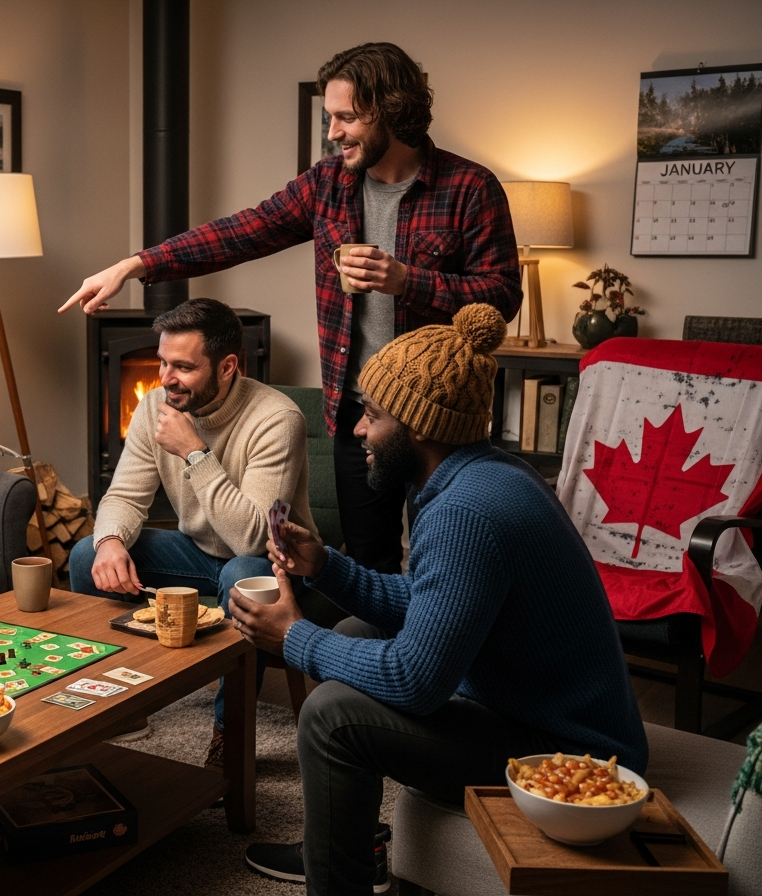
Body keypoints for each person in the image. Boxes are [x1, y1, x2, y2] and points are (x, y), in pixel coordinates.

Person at [228, 304, 648, 894]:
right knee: (352, 633)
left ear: (418, 426)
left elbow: (414, 680)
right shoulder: (480, 474)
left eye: (372, 415)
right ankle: (347, 839)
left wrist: (294, 638)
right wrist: (325, 567)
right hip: (529, 709)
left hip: (569, 756)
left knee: (330, 718)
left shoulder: (464, 511)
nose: (357, 431)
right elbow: (440, 607)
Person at [61, 42, 522, 576]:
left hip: (440, 419)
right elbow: (239, 233)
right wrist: (136, 265)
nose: (333, 132)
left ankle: (435, 657)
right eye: (330, 117)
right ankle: (374, 659)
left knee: (450, 559)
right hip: (358, 412)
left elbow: (502, 295)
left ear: (391, 111)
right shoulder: (326, 185)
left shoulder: (469, 187)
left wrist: (406, 281)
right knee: (372, 559)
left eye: (346, 117)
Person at [67, 299, 315, 766]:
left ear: (227, 367)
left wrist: (195, 453)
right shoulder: (155, 405)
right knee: (86, 554)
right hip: (199, 552)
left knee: (243, 574)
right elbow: (123, 495)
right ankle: (119, 702)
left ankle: (229, 734)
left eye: (183, 366)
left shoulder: (276, 420)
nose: (166, 378)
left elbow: (250, 537)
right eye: (162, 362)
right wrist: (111, 541)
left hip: (276, 567)